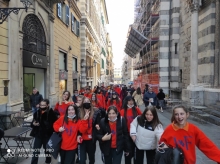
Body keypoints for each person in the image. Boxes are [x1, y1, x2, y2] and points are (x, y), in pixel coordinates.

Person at [30, 99, 57, 164]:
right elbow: (32, 123)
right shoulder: (36, 113)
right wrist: (33, 124)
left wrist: (47, 127)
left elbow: (55, 125)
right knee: (35, 151)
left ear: (47, 105)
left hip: (47, 136)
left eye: (43, 105)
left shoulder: (51, 114)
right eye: (40, 105)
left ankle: (48, 161)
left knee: (47, 151)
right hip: (38, 135)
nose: (41, 106)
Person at [78, 97, 103, 164]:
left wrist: (98, 125)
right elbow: (79, 128)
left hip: (91, 140)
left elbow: (98, 122)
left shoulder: (95, 112)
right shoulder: (79, 112)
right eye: (85, 101)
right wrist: (85, 119)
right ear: (82, 103)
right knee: (82, 160)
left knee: (91, 159)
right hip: (82, 140)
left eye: (88, 101)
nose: (86, 103)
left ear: (90, 102)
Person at [120, 96, 142, 164]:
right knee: (128, 153)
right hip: (126, 135)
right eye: (129, 100)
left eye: (132, 100)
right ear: (126, 101)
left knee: (136, 154)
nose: (131, 102)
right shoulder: (123, 111)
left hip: (136, 134)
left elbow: (142, 119)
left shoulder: (137, 109)